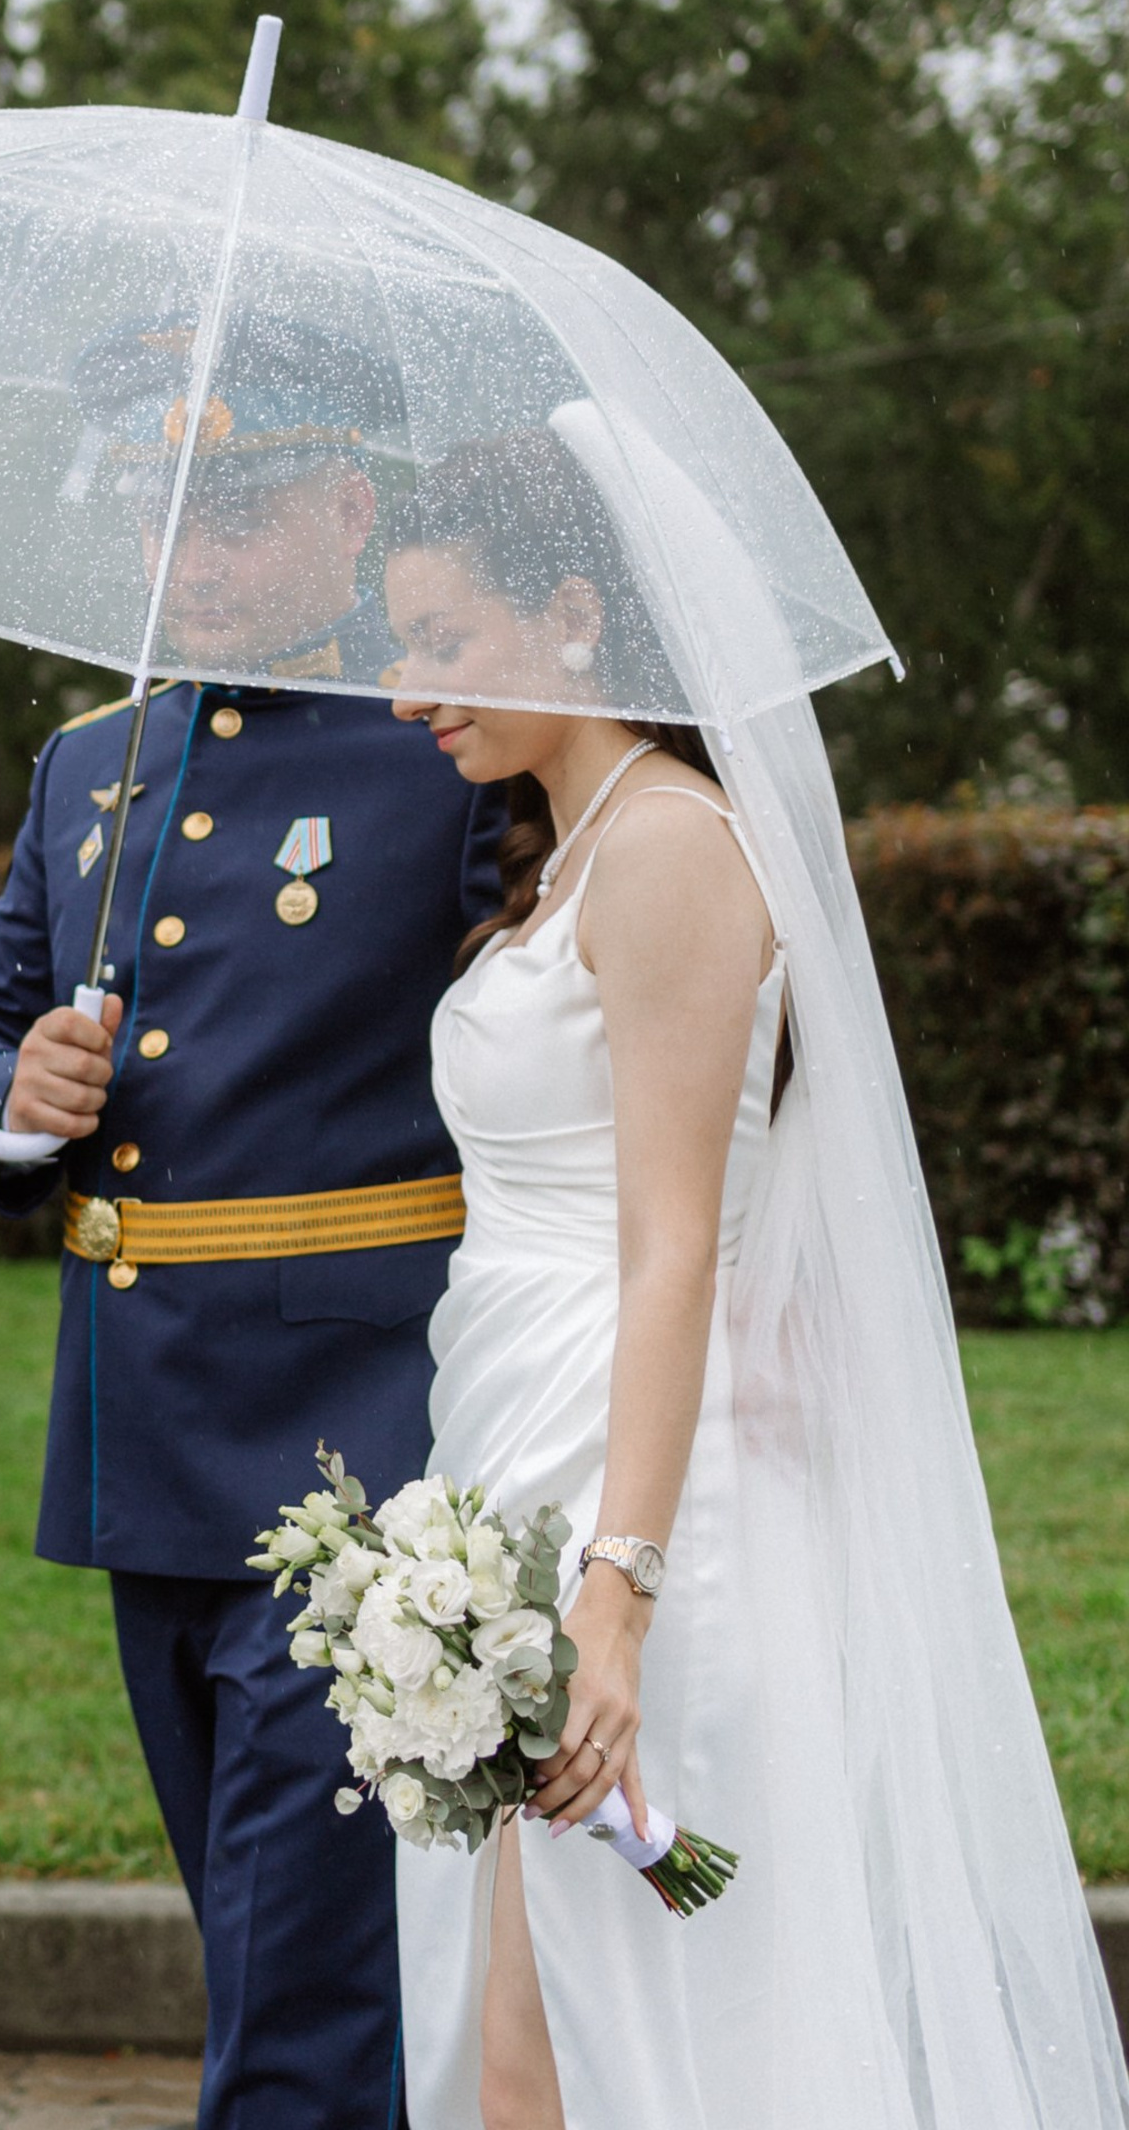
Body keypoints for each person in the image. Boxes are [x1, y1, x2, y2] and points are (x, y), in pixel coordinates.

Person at [377, 425, 1129, 2130]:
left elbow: (675, 1245)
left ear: (576, 614)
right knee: (535, 2034)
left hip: (633, 1477)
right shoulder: (561, 850)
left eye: (442, 636)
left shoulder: (665, 851)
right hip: (518, 1434)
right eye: (397, 636)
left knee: (630, 2029)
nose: (403, 685)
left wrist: (617, 1592)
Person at [0, 312, 504, 2130]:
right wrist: (6, 1101)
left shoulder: (445, 749)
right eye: (169, 508)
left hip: (356, 1447)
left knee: (303, 1975)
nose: (201, 550)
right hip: (140, 1435)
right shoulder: (91, 766)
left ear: (345, 509)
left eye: (241, 507)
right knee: (261, 1925)